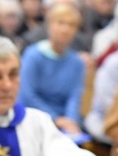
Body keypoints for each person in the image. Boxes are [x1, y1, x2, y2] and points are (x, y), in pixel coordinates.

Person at [18, 2, 86, 136]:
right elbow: (27, 94)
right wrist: (56, 119)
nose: (65, 29)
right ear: (49, 25)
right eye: (60, 23)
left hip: (65, 125)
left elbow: (75, 96)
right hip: (34, 118)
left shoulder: (77, 62)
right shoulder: (33, 55)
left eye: (71, 25)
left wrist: (70, 120)